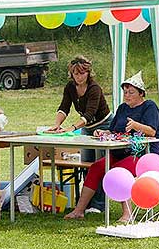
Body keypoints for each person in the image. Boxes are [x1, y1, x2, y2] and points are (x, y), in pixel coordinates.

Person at [64, 71, 159, 222]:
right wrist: (103, 131)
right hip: (120, 152)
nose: (127, 95)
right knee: (96, 167)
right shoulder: (123, 108)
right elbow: (114, 130)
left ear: (141, 93)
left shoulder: (149, 106)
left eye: (131, 92)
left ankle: (127, 214)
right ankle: (79, 210)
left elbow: (152, 131)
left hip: (142, 155)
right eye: (125, 92)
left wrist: (136, 125)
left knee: (119, 171)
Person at [47, 55, 113, 212]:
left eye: (82, 73)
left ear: (88, 73)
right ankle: (86, 203)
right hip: (87, 128)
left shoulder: (94, 88)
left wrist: (72, 127)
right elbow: (64, 107)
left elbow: (89, 113)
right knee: (86, 165)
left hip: (103, 126)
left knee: (99, 166)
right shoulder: (70, 87)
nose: (79, 77)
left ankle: (99, 204)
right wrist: (56, 125)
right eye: (76, 74)